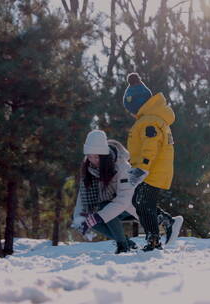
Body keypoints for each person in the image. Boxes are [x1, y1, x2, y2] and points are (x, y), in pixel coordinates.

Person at [72, 130, 182, 253]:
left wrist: (98, 216)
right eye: (90, 156)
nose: (93, 160)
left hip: (130, 205)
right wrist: (79, 220)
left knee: (105, 208)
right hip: (115, 206)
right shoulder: (88, 168)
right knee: (92, 217)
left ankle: (164, 222)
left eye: (97, 157)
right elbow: (82, 196)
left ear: (104, 155)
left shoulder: (121, 166)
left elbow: (123, 200)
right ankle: (126, 243)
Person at [123, 73, 179, 251]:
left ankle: (153, 240)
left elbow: (151, 146)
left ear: (137, 104)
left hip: (152, 171)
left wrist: (142, 168)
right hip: (152, 169)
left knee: (143, 204)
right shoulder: (151, 118)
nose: (131, 114)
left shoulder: (149, 121)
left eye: (131, 110)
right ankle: (166, 221)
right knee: (138, 202)